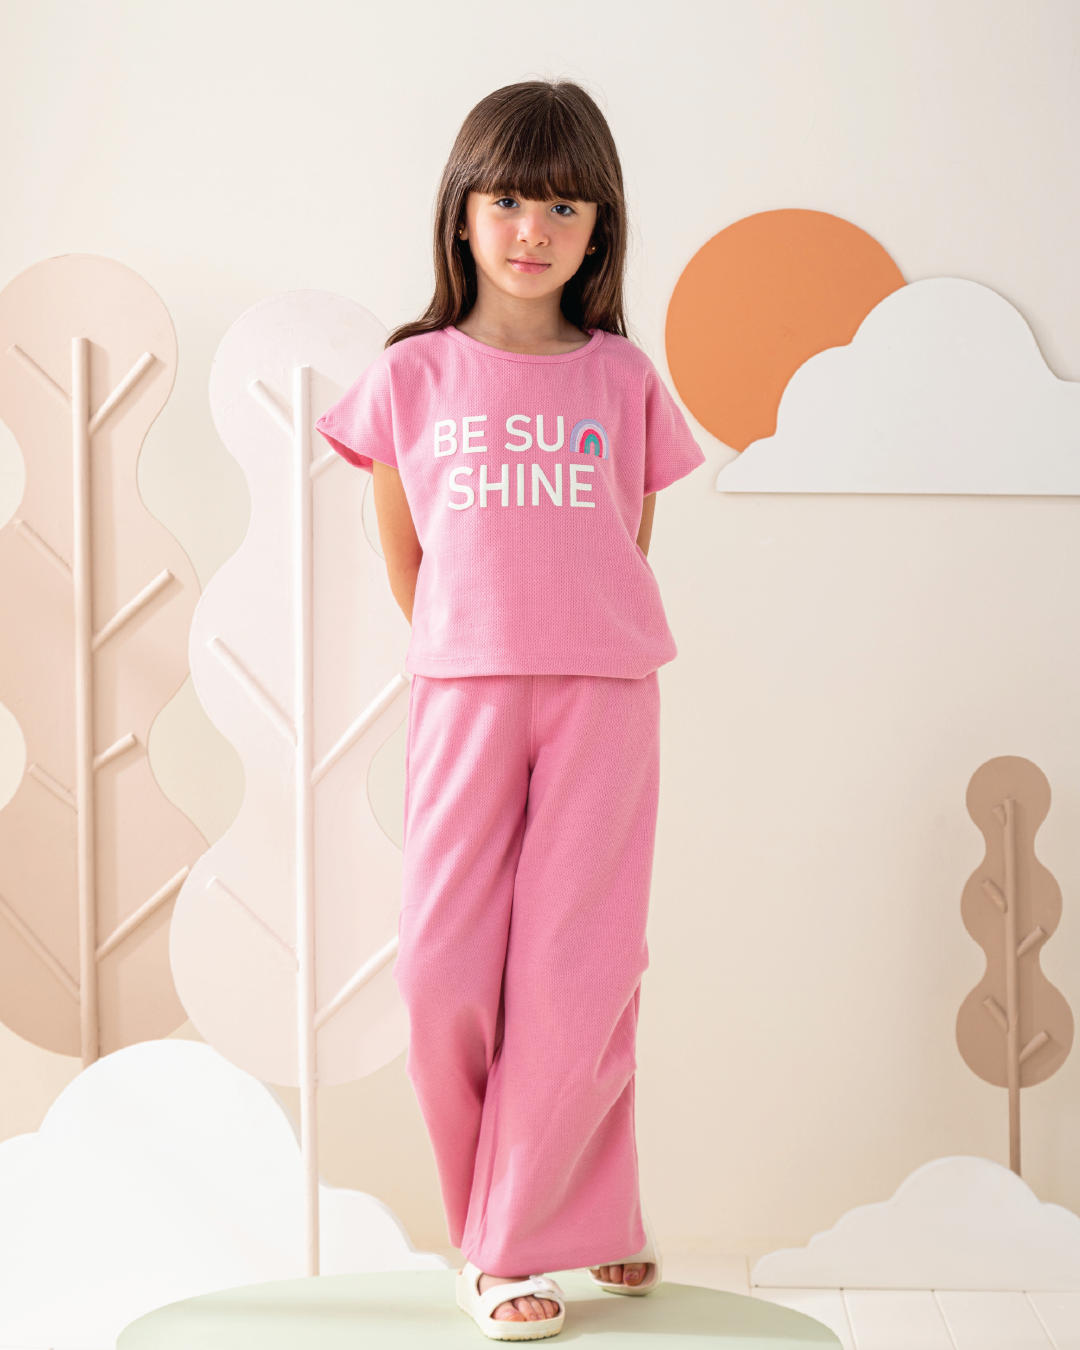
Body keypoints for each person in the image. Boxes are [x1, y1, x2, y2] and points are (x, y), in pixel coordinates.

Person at [316, 79, 704, 1342]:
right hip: (464, 693)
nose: (533, 229)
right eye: (509, 201)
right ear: (462, 213)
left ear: (600, 228)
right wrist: (481, 644)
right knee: (442, 971)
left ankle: (510, 1249)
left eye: (564, 206)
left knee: (578, 970)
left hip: (604, 695)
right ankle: (567, 1213)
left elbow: (626, 541)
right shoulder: (410, 376)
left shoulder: (623, 379)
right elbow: (408, 560)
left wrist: (564, 637)